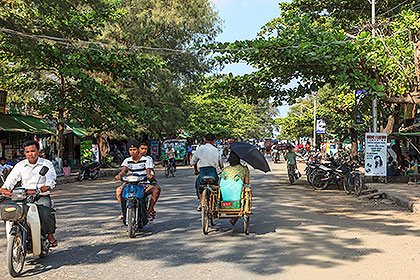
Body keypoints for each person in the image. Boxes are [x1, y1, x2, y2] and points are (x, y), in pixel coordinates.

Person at [0, 140, 58, 247]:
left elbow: (51, 178)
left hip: (40, 195)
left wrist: (47, 186)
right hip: (23, 196)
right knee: (14, 214)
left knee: (45, 214)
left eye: (32, 151)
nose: (30, 154)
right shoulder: (20, 165)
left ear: (38, 151)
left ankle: (50, 236)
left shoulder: (46, 164)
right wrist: (4, 188)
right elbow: (11, 179)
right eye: (27, 152)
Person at [115, 140, 161, 220]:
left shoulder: (147, 160)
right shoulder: (127, 160)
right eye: (130, 150)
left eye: (134, 150)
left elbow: (148, 171)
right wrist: (119, 175)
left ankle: (148, 211)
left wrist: (149, 175)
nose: (132, 152)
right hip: (130, 184)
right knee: (118, 191)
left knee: (156, 190)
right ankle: (123, 211)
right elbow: (123, 171)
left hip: (143, 184)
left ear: (138, 150)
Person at [191, 133, 223, 210]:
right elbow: (220, 164)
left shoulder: (200, 149)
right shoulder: (216, 150)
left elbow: (193, 162)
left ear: (205, 140)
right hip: (213, 172)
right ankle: (215, 204)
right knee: (216, 186)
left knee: (198, 185)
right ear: (214, 141)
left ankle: (201, 202)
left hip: (203, 172)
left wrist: (196, 170)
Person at [220, 151, 250, 226]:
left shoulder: (225, 170)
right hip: (238, 196)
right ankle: (234, 217)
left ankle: (232, 215)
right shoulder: (244, 169)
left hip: (225, 197)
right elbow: (247, 182)